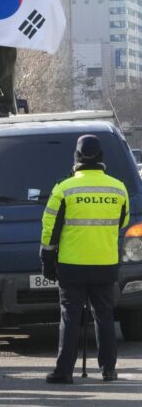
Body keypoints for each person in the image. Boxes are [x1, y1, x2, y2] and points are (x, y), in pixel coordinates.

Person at [42, 135, 128, 384]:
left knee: (70, 317)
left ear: (76, 158)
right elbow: (122, 222)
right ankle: (108, 370)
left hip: (72, 265)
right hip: (105, 263)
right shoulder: (118, 188)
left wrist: (47, 260)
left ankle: (64, 371)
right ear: (101, 157)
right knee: (104, 316)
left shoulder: (64, 188)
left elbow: (50, 229)